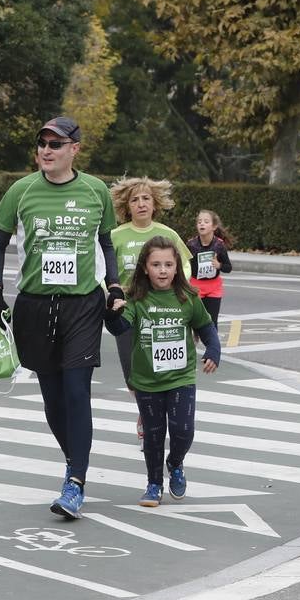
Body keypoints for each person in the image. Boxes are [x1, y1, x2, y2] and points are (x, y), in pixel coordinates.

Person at [0, 116, 124, 521]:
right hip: (35, 304)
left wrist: (113, 286)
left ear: (74, 150)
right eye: (42, 143)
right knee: (52, 399)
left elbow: (107, 244)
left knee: (77, 391)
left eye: (55, 144)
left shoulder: (96, 190)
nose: (46, 150)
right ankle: (73, 461)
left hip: (82, 304)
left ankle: (75, 482)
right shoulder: (21, 190)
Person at [107, 236, 220, 506]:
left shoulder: (187, 297)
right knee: (154, 436)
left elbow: (206, 327)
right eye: (156, 264)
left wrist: (213, 351)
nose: (162, 270)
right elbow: (120, 328)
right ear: (145, 268)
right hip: (147, 380)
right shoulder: (136, 298)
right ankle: (154, 483)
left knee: (183, 430)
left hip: (180, 378)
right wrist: (111, 313)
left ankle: (176, 462)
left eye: (169, 264)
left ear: (177, 268)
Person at [110, 176, 193, 447]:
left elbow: (185, 268)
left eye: (146, 198)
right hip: (128, 312)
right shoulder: (116, 236)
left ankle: (152, 416)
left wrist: (181, 292)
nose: (141, 204)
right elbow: (103, 271)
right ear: (127, 206)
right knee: (132, 371)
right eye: (135, 199)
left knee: (158, 366)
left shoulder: (167, 235)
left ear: (154, 203)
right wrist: (112, 294)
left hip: (159, 312)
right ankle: (145, 411)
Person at [187, 209, 233, 327]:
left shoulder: (219, 245)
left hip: (214, 287)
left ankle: (213, 345)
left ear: (214, 226)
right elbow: (184, 265)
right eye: (199, 222)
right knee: (195, 321)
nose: (202, 224)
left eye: (206, 221)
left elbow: (228, 268)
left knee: (212, 322)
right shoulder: (191, 245)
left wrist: (219, 265)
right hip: (196, 286)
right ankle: (194, 340)